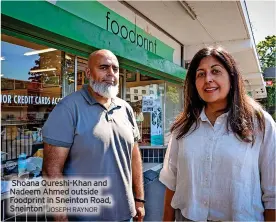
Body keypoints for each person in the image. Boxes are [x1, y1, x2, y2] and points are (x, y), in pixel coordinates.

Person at [159, 46, 276, 221]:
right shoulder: (184, 126)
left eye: (215, 71)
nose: (208, 79)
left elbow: (273, 192)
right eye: (200, 74)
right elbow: (171, 181)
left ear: (231, 77)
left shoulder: (260, 122)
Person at [42, 49, 145, 221]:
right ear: (88, 72)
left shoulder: (125, 108)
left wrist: (139, 199)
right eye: (104, 67)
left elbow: (134, 156)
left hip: (125, 214)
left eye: (115, 69)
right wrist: (60, 216)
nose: (111, 74)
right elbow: (51, 169)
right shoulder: (68, 108)